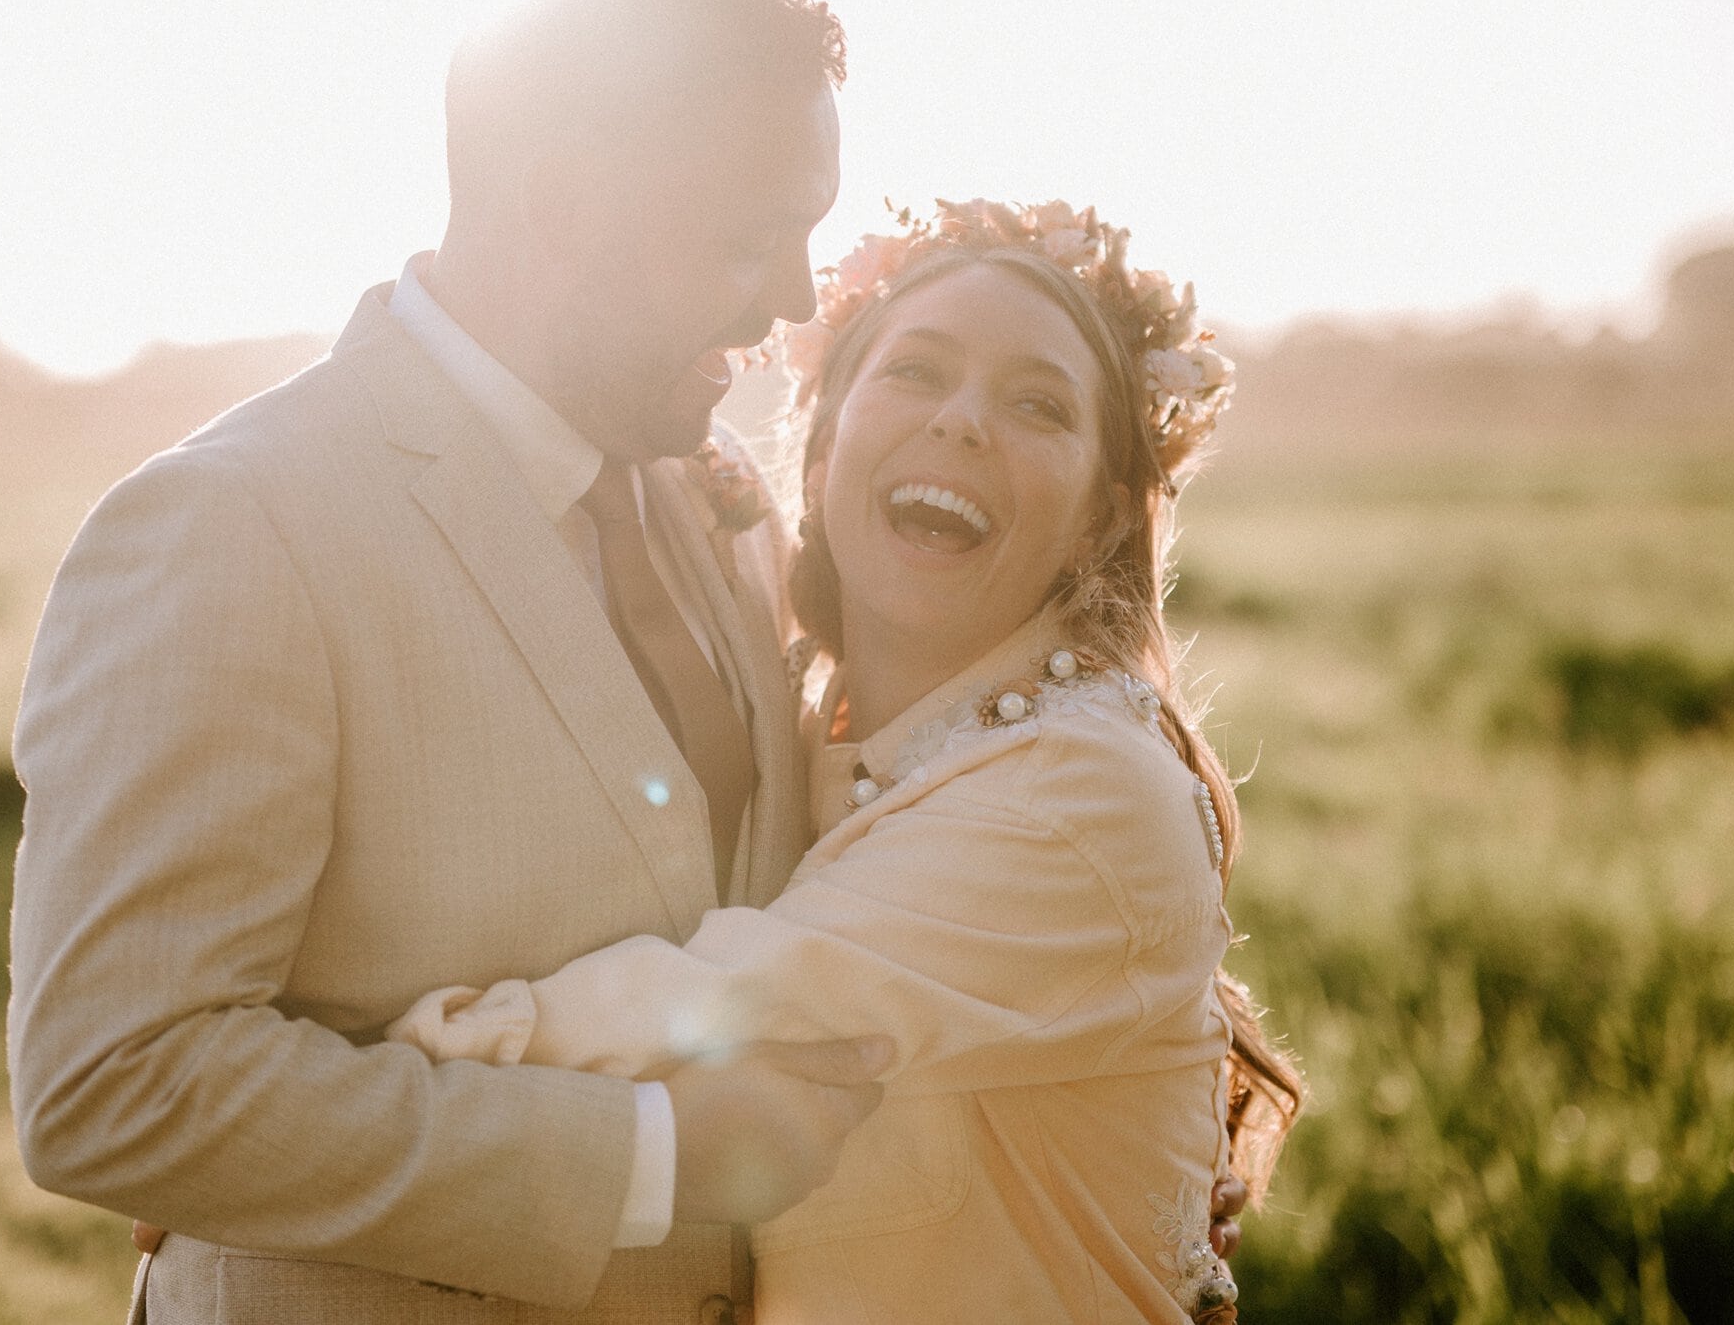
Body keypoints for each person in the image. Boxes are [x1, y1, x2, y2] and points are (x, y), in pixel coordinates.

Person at [8, 0, 889, 1323]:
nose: (791, 302)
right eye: (748, 238)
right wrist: (648, 1159)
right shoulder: (233, 528)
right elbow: (115, 1082)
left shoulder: (708, 496)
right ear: (561, 205)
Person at [390, 199, 1304, 1322]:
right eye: (917, 371)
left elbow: (718, 998)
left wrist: (311, 1122)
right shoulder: (814, 727)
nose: (963, 422)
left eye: (1036, 403)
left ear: (1103, 517)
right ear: (822, 445)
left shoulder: (1084, 794)